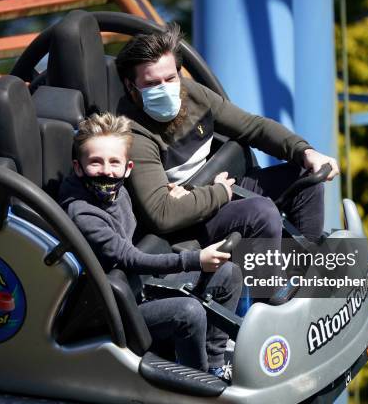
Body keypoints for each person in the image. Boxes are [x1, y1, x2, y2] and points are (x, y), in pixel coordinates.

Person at [114, 23, 340, 250]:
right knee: (261, 212)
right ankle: (270, 284)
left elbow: (254, 127)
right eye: (152, 84)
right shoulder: (134, 135)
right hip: (187, 218)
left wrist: (304, 151)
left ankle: (305, 273)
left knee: (305, 179)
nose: (165, 89)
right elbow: (162, 214)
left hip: (221, 186)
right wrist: (219, 193)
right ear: (130, 86)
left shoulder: (192, 94)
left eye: (170, 78)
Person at [58, 112, 241, 379]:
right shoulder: (82, 212)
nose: (106, 170)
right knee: (189, 313)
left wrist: (175, 194)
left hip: (140, 284)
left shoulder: (118, 189)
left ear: (127, 168)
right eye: (95, 163)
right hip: (115, 310)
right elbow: (128, 257)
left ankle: (214, 364)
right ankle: (197, 383)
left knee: (229, 274)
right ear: (78, 167)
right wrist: (194, 259)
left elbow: (151, 211)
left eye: (114, 162)